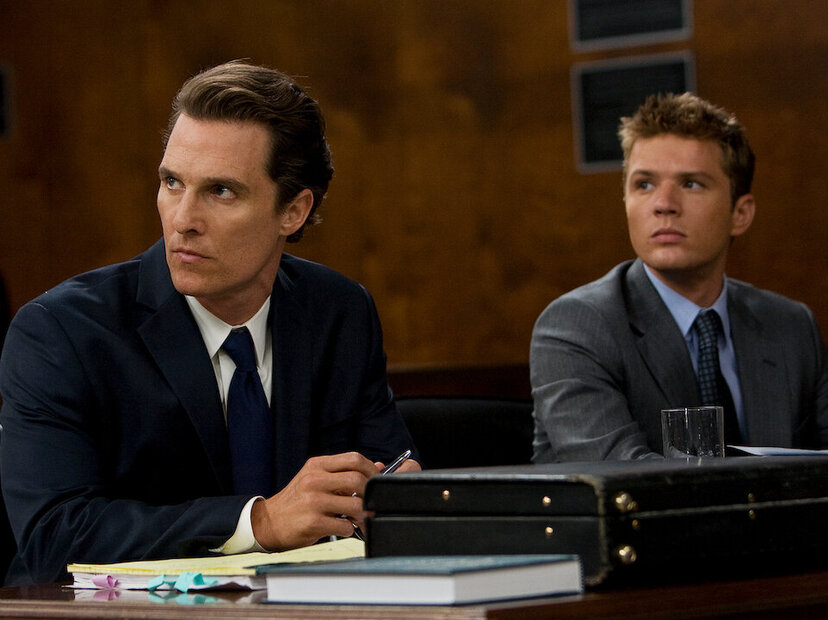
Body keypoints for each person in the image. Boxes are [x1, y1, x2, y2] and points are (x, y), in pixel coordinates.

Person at [0, 60, 420, 585]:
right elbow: (52, 538)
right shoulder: (62, 332)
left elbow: (385, 479)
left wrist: (397, 500)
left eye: (221, 191)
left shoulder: (339, 312)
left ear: (292, 210)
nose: (182, 220)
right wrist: (258, 523)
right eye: (172, 182)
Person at [531, 92, 828, 462]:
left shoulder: (791, 326)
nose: (664, 204)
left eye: (691, 184)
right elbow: (623, 479)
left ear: (740, 214)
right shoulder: (577, 326)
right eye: (644, 184)